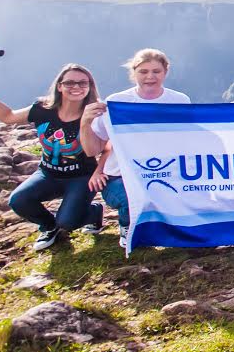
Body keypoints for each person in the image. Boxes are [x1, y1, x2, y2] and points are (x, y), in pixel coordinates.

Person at [0, 64, 101, 251]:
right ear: (59, 86)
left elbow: (94, 151)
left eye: (83, 83)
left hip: (81, 177)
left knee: (69, 222)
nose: (76, 87)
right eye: (70, 82)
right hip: (48, 174)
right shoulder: (43, 109)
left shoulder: (95, 113)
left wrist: (86, 122)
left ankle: (93, 212)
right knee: (18, 200)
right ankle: (49, 226)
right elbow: (8, 117)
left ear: (90, 86)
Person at [81, 49, 191, 247]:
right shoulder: (117, 102)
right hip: (119, 175)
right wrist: (85, 122)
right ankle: (127, 225)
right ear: (134, 73)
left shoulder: (179, 101)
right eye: (143, 71)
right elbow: (93, 149)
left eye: (156, 71)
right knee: (133, 198)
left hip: (164, 171)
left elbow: (185, 139)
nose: (150, 76)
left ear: (165, 72)